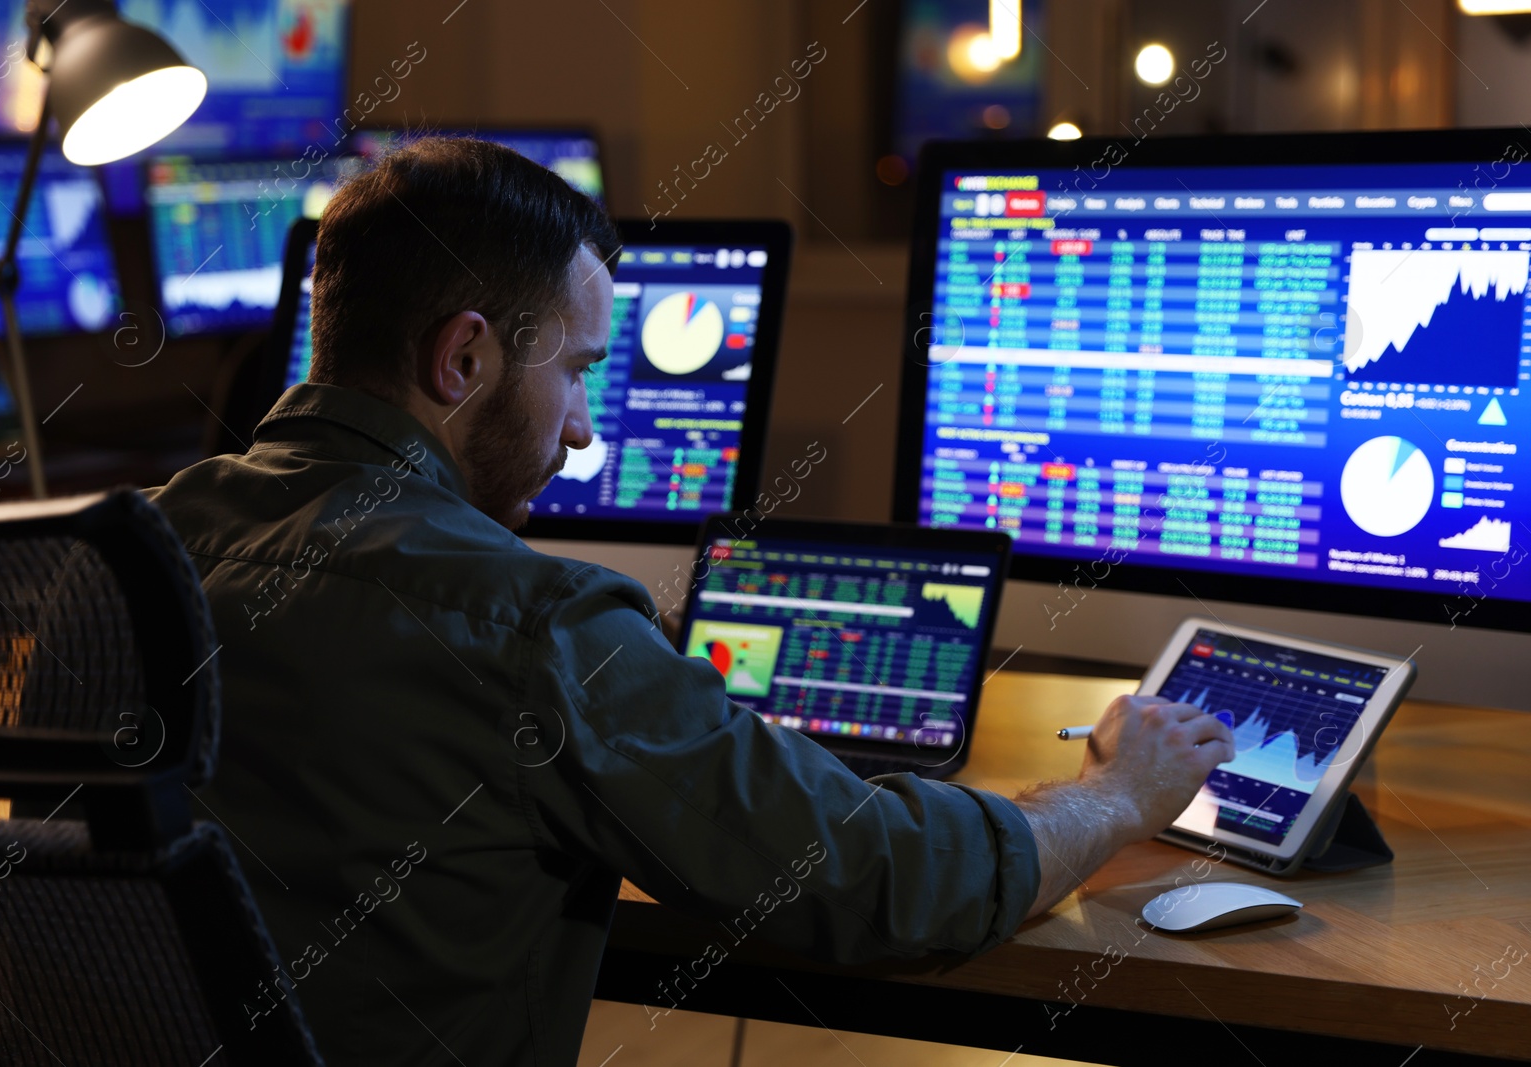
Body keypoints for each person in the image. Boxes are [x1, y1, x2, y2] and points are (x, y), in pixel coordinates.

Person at [146, 137, 1235, 1067]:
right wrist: (1116, 792)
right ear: (463, 357)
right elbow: (887, 881)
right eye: (574, 371)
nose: (579, 427)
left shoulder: (129, 553)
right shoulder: (532, 622)